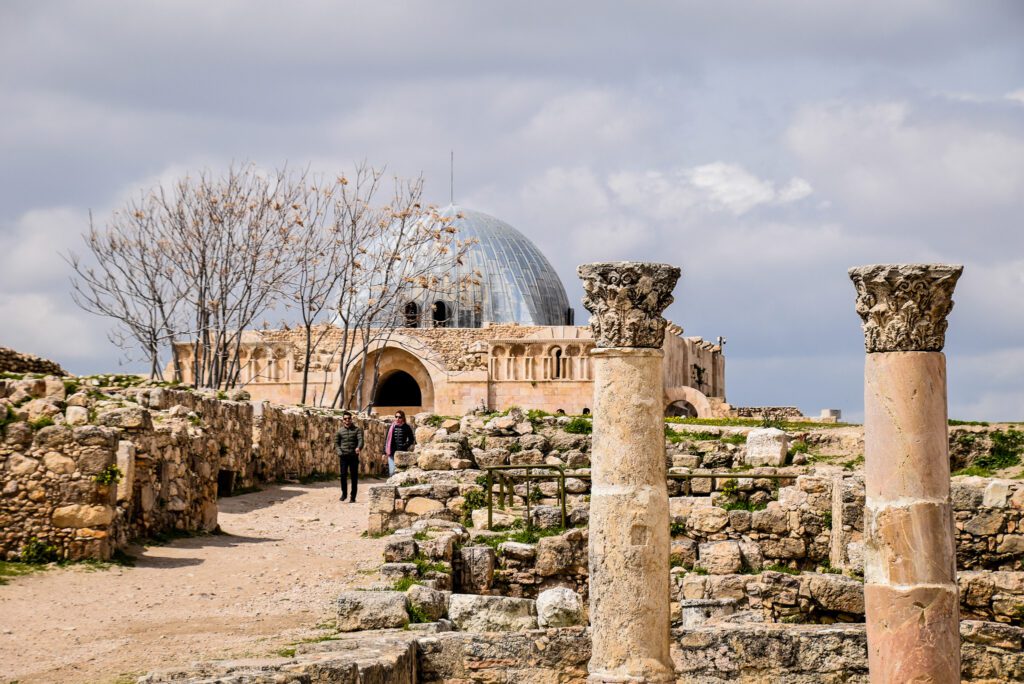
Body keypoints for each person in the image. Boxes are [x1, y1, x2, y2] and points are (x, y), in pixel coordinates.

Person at [333, 411, 363, 503]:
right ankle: (344, 494)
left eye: (349, 418)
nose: (347, 420)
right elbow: (336, 443)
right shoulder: (339, 431)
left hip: (354, 457)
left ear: (351, 419)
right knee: (343, 476)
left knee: (354, 477)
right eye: (345, 419)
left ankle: (353, 497)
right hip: (344, 457)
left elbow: (360, 440)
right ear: (343, 420)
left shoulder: (357, 430)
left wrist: (359, 447)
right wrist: (339, 452)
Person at [383, 410, 415, 476]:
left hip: (401, 453)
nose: (397, 418)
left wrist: (404, 446)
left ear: (403, 418)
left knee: (400, 473)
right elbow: (387, 440)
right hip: (391, 453)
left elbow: (411, 439)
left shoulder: (406, 427)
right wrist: (383, 452)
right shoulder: (391, 427)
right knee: (392, 472)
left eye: (399, 417)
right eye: (396, 416)